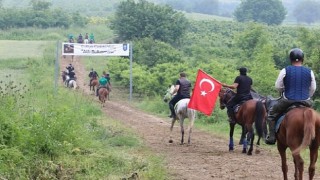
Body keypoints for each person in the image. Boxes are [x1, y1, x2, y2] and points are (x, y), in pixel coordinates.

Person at [265, 48, 316, 145]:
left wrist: (283, 90)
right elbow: (313, 88)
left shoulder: (285, 70)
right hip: (306, 100)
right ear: (303, 59)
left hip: (288, 100)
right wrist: (307, 96)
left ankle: (271, 137)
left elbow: (278, 86)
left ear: (290, 59)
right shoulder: (310, 71)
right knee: (314, 116)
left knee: (271, 114)